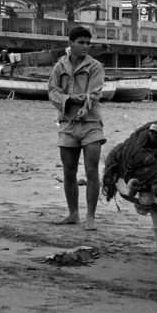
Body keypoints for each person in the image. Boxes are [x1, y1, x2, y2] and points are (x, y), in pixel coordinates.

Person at [48, 26, 106, 230]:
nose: (85, 46)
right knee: (69, 171)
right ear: (71, 43)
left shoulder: (95, 66)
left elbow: (95, 92)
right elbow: (53, 92)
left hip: (91, 125)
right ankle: (73, 214)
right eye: (81, 42)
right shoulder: (60, 67)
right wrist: (69, 100)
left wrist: (85, 106)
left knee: (92, 171)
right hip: (67, 124)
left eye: (88, 43)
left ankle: (91, 216)